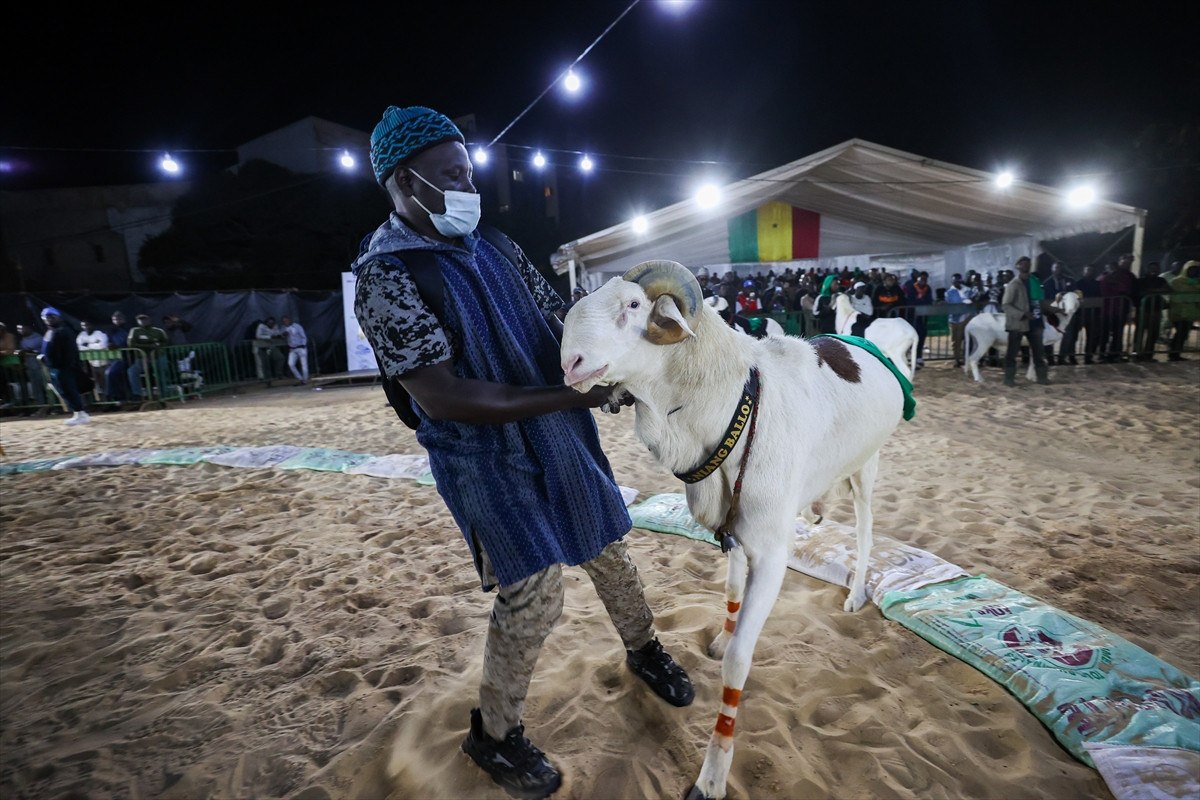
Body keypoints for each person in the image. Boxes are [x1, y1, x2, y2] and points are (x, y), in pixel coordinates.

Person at [351, 105, 693, 798]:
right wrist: (571, 399)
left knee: (608, 550)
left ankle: (644, 649)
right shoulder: (384, 277)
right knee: (533, 593)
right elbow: (442, 397)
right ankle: (495, 735)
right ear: (403, 181)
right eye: (451, 174)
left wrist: (620, 335)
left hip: (557, 433)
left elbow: (555, 321)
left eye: (469, 170)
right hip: (481, 457)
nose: (468, 185)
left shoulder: (497, 246)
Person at [1001, 257, 1050, 386]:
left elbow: (1040, 301)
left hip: (1035, 321)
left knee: (1039, 352)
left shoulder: (1035, 281)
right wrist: (1022, 314)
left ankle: (1042, 377)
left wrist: (1052, 309)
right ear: (1017, 266)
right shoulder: (1014, 284)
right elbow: (1006, 305)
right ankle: (1009, 379)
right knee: (1012, 353)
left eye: (1028, 264)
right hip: (1018, 323)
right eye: (1022, 264)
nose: (1026, 266)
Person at [39, 308, 90, 425]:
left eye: (52, 317)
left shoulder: (64, 331)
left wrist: (67, 366)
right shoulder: (49, 332)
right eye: (46, 318)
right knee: (64, 391)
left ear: (58, 317)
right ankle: (77, 413)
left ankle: (81, 414)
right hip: (53, 367)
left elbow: (71, 351)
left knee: (69, 390)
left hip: (64, 368)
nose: (49, 319)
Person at [1098, 254, 1136, 362]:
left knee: (1118, 333)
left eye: (1129, 261)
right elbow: (1103, 289)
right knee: (1104, 333)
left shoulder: (1128, 276)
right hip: (1106, 309)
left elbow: (1128, 290)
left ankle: (1114, 354)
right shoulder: (1105, 276)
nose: (1127, 263)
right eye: (1125, 260)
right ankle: (1102, 354)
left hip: (1120, 309)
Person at [127, 313, 171, 400]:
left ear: (149, 320)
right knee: (132, 371)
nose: (143, 321)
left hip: (157, 356)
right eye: (140, 320)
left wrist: (157, 345)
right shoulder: (135, 331)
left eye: (145, 319)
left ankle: (164, 395)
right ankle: (138, 395)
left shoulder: (158, 331)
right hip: (142, 358)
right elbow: (130, 343)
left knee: (161, 373)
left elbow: (165, 341)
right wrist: (149, 345)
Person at [1133, 262, 1170, 362]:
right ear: (1147, 269)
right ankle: (1136, 353)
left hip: (1156, 310)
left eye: (1156, 268)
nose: (1154, 270)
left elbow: (1168, 290)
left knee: (1153, 333)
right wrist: (1158, 290)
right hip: (1143, 310)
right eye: (1152, 268)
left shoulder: (1161, 279)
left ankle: (1148, 355)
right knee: (1139, 333)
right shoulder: (1141, 280)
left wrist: (1152, 291)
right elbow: (1141, 292)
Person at [1167, 260, 1200, 361]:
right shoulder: (1177, 281)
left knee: (1184, 334)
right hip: (1178, 312)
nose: (1193, 272)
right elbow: (1183, 297)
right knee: (1180, 333)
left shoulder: (1196, 282)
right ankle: (1173, 354)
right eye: (1191, 269)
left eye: (1196, 270)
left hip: (1190, 313)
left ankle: (1175, 353)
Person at [14, 322, 48, 410]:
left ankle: (53, 407)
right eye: (18, 329)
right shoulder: (22, 340)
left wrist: (30, 351)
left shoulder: (39, 338)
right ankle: (41, 407)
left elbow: (44, 351)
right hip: (29, 366)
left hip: (40, 366)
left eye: (22, 328)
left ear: (29, 328)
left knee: (45, 386)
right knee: (36, 387)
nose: (20, 331)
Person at [903, 271, 933, 367]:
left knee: (922, 335)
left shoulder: (928, 289)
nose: (923, 281)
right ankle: (910, 356)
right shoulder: (911, 287)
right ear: (917, 279)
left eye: (925, 279)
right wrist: (921, 302)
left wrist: (920, 302)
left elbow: (929, 301)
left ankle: (918, 356)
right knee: (911, 337)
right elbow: (911, 301)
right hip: (912, 317)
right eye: (921, 279)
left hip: (923, 317)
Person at [945, 273, 975, 367]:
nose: (956, 282)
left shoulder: (968, 289)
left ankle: (968, 358)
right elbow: (955, 303)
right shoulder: (949, 292)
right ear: (952, 281)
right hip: (955, 319)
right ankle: (957, 359)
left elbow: (974, 298)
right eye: (954, 281)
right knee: (956, 340)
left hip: (967, 317)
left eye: (958, 280)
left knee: (968, 339)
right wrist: (965, 301)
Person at [1076, 264, 1104, 364]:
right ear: (1083, 271)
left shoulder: (1097, 284)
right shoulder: (1078, 283)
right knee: (1074, 336)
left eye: (1091, 270)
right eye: (1087, 270)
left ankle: (1089, 356)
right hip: (1080, 313)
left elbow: (1100, 297)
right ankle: (1071, 356)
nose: (1089, 272)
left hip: (1094, 313)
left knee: (1093, 336)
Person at [76, 319, 110, 399]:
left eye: (87, 325)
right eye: (83, 326)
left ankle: (111, 401)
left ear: (92, 325)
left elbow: (102, 345)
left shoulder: (100, 334)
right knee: (96, 384)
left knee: (106, 382)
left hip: (103, 362)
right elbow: (78, 346)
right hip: (91, 363)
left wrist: (87, 345)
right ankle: (102, 402)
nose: (86, 327)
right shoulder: (82, 335)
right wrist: (94, 345)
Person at [105, 311, 133, 403]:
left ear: (123, 319)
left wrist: (119, 346)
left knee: (110, 372)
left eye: (118, 319)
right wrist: (109, 345)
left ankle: (111, 397)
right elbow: (109, 343)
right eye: (114, 319)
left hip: (128, 358)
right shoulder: (112, 331)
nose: (116, 321)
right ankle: (119, 397)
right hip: (115, 358)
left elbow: (130, 344)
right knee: (109, 372)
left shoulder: (129, 329)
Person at [280, 315, 310, 384]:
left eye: (286, 320)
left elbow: (303, 336)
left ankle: (305, 380)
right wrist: (284, 334)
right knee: (290, 364)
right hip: (292, 349)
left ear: (290, 320)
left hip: (300, 347)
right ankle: (299, 378)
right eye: (284, 321)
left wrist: (303, 345)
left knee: (304, 364)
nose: (285, 322)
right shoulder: (283, 328)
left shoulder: (297, 326)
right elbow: (281, 335)